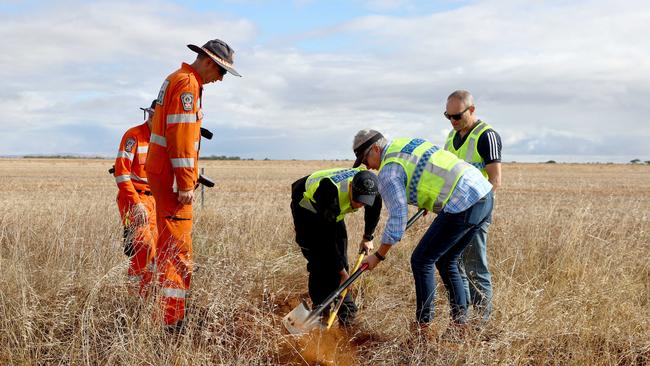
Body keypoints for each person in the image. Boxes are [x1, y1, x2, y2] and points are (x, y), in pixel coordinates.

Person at [351, 129, 493, 330]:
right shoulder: (406, 142)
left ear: (375, 148)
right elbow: (428, 168)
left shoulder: (388, 171)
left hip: (463, 202)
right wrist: (426, 200)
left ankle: (423, 327)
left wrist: (378, 256)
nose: (368, 167)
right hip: (483, 192)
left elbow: (398, 218)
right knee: (447, 259)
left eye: (365, 160)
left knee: (421, 260)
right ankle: (459, 326)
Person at [145, 39, 241, 328]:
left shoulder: (176, 78)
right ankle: (172, 320)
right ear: (209, 61)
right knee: (177, 250)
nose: (221, 79)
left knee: (168, 245)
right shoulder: (188, 85)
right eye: (222, 72)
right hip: (174, 182)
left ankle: (165, 310)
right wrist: (186, 183)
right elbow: (183, 138)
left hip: (163, 173)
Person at [290, 168, 382, 326]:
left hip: (331, 212)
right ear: (351, 186)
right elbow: (327, 241)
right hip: (306, 208)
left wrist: (368, 237)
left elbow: (374, 209)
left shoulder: (371, 187)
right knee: (318, 259)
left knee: (340, 257)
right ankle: (320, 310)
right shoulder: (329, 191)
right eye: (358, 199)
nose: (360, 205)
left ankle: (346, 313)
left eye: (364, 201)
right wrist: (342, 273)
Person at [443, 90, 502, 322]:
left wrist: (476, 210)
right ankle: (463, 321)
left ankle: (481, 324)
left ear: (472, 110)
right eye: (448, 116)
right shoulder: (450, 136)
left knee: (475, 268)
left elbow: (495, 180)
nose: (453, 121)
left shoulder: (487, 136)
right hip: (454, 212)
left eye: (457, 116)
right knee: (454, 264)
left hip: (475, 213)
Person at [113, 100, 158, 296]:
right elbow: (121, 174)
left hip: (156, 200)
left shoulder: (163, 139)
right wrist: (136, 203)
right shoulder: (133, 136)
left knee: (155, 250)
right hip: (135, 200)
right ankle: (133, 297)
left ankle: (147, 295)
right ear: (150, 114)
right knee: (143, 245)